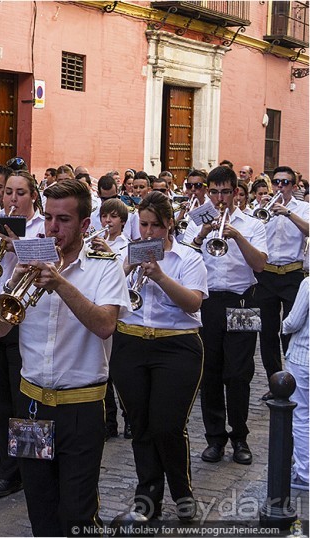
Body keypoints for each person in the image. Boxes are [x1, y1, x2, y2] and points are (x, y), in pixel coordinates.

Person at [0, 179, 129, 536]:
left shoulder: (104, 265)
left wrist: (62, 286)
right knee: (40, 507)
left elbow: (105, 325)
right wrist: (11, 284)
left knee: (77, 512)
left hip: (81, 408)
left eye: (64, 220)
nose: (53, 227)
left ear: (85, 224)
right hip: (32, 405)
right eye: (49, 217)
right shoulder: (29, 256)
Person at [111, 191, 208, 521]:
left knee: (167, 426)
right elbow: (107, 292)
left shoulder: (188, 259)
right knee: (140, 425)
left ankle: (182, 492)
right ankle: (147, 495)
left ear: (169, 225)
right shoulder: (129, 252)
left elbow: (193, 303)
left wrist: (160, 276)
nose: (148, 233)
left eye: (155, 226)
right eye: (143, 225)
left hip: (177, 346)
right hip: (132, 344)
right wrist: (127, 267)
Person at [184, 165, 268, 465]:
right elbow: (184, 260)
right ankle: (215, 438)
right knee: (211, 371)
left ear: (235, 193)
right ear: (209, 191)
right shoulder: (198, 220)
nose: (220, 198)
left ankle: (240, 437)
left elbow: (259, 265)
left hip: (243, 302)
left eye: (225, 192)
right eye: (214, 192)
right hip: (208, 303)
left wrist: (237, 237)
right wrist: (202, 235)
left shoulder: (252, 224)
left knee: (239, 373)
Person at [0, 170, 44, 499]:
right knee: (0, 403)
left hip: (25, 321)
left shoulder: (44, 226)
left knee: (26, 404)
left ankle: (35, 472)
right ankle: (9, 472)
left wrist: (18, 246)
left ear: (33, 196)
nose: (13, 199)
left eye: (20, 193)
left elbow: (49, 266)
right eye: (8, 193)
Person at [253, 165, 309, 400]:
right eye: (276, 182)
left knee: (290, 329)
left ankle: (292, 379)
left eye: (285, 183)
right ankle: (274, 381)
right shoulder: (260, 208)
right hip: (266, 274)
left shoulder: (303, 208)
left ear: (294, 187)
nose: (279, 187)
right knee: (267, 332)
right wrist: (263, 211)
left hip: (292, 274)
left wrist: (287, 213)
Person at [91, 197, 132, 440]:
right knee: (103, 368)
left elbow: (125, 273)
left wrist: (109, 254)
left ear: (123, 222)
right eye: (105, 216)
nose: (108, 220)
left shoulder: (126, 246)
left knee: (120, 372)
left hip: (118, 310)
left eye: (113, 217)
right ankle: (108, 420)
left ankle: (128, 418)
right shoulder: (94, 241)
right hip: (97, 306)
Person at [283, 275, 309, 491]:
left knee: (301, 416)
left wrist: (281, 326)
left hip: (304, 358)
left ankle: (305, 473)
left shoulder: (308, 284)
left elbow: (294, 321)